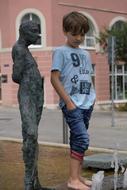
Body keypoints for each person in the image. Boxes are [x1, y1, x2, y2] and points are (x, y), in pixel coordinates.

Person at [51, 11, 96, 190]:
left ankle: (77, 176)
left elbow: (88, 77)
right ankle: (72, 179)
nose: (79, 37)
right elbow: (54, 78)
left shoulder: (86, 54)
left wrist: (93, 98)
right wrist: (68, 102)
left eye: (82, 34)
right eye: (74, 33)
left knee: (77, 140)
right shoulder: (60, 52)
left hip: (87, 103)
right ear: (65, 31)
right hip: (73, 104)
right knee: (82, 139)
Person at [12, 21, 44, 190]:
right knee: (30, 134)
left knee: (33, 137)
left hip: (37, 96)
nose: (37, 34)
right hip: (27, 95)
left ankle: (35, 182)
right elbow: (16, 77)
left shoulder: (26, 51)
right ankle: (28, 179)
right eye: (34, 31)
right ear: (24, 32)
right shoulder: (18, 49)